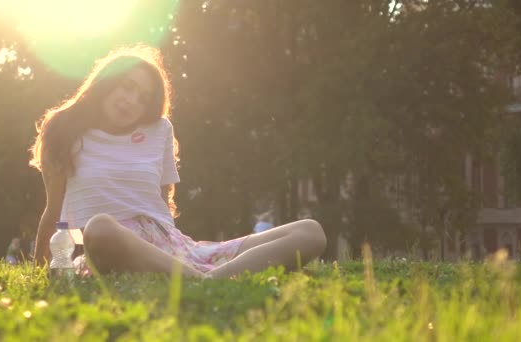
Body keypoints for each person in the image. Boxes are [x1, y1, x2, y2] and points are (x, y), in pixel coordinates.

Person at [29, 45, 327, 279]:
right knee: (100, 227)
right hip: (106, 246)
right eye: (126, 86)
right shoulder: (64, 128)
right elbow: (52, 209)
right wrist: (38, 271)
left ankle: (206, 279)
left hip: (173, 250)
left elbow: (160, 205)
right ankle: (201, 280)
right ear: (106, 82)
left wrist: (177, 251)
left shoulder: (159, 130)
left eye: (144, 97)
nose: (132, 100)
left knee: (310, 231)